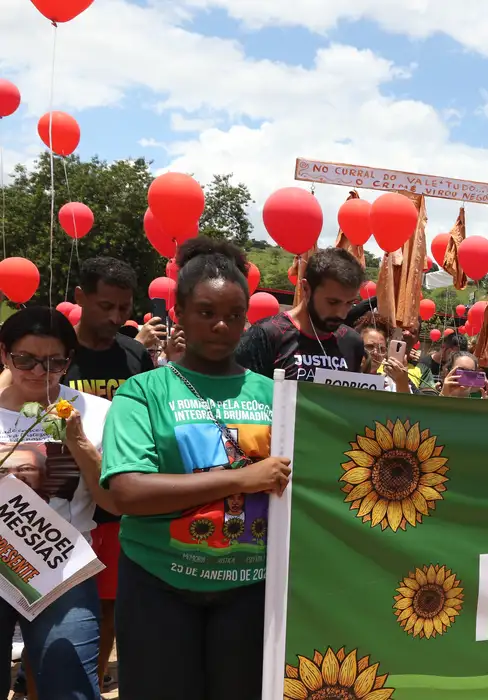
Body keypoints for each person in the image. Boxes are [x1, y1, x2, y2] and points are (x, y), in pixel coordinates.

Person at [101, 239, 292, 700]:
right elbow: (127, 492)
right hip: (158, 586)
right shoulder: (143, 392)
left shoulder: (277, 397)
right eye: (205, 312)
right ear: (179, 312)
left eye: (233, 314)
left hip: (250, 590)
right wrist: (241, 478)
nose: (221, 325)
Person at [0, 307, 116, 699]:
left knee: (71, 686)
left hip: (60, 568)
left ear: (69, 360)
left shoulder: (96, 412)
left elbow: (111, 501)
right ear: (4, 355)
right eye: (25, 360)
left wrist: (79, 442)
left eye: (53, 362)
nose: (37, 372)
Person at [64, 257, 159, 692]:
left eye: (124, 307)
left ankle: (92, 677)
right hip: (60, 505)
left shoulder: (135, 354)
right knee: (51, 604)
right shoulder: (56, 354)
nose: (117, 317)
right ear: (80, 297)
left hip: (117, 505)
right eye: (106, 306)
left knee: (107, 608)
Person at [236, 247, 365, 381]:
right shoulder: (266, 335)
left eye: (350, 303)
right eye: (332, 302)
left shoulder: (352, 342)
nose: (341, 314)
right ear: (306, 288)